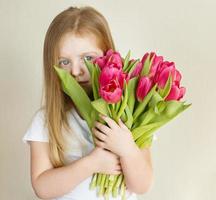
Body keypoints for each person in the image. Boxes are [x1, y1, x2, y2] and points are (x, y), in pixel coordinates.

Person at [22, 6, 153, 200]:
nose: (75, 70)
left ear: (109, 56)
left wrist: (127, 149)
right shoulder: (45, 121)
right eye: (64, 62)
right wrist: (91, 164)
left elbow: (142, 186)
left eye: (88, 58)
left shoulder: (131, 115)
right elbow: (42, 188)